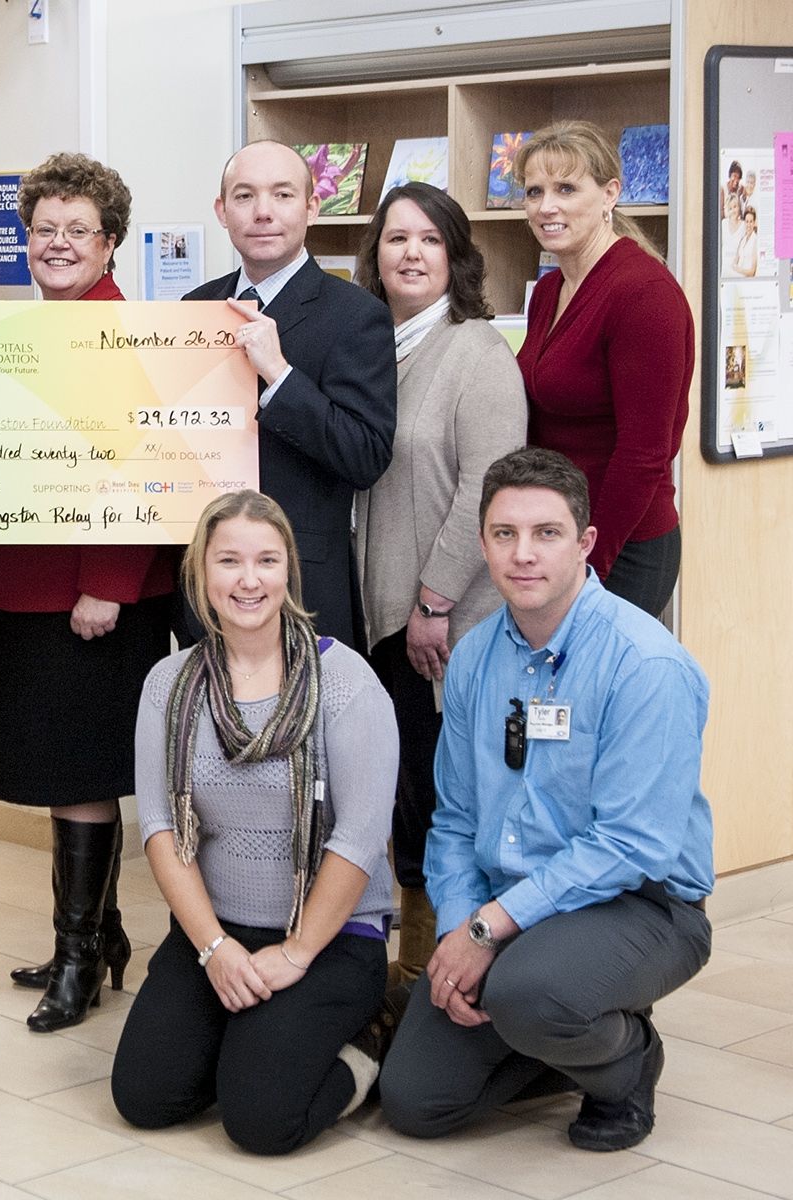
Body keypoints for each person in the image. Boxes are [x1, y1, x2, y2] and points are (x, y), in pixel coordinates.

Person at [379, 447, 714, 1153]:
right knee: (416, 1100)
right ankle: (555, 1027)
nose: (523, 555)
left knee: (527, 992)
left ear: (585, 543)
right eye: (505, 534)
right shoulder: (473, 658)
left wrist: (486, 932)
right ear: (483, 544)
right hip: (511, 908)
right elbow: (457, 818)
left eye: (547, 533)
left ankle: (626, 1059)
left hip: (642, 904)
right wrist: (457, 932)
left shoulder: (644, 664)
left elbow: (631, 845)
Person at [109, 491, 398, 1155]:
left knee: (262, 1123)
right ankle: (249, 1044)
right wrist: (213, 948)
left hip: (327, 936)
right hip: (219, 928)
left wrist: (296, 954)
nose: (249, 579)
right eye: (230, 560)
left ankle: (368, 1044)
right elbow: (159, 826)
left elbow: (358, 840)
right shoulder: (169, 684)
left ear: (288, 570)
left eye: (267, 560)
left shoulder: (345, 681)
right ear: (200, 574)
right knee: (145, 1098)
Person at [0, 152, 176, 1033]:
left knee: (83, 772)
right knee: (58, 771)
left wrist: (108, 584)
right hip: (18, 586)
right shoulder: (24, 327)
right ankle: (95, 936)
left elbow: (143, 467)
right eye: (43, 230)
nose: (56, 245)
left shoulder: (124, 333)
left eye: (76, 231)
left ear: (110, 243)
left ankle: (81, 963)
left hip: (89, 596)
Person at [351, 183, 526, 994]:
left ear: (455, 255)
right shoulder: (373, 347)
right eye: (395, 240)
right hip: (386, 617)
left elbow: (487, 491)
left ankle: (436, 968)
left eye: (429, 238)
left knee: (440, 800)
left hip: (445, 621)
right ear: (375, 256)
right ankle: (412, 961)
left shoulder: (475, 352)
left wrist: (433, 603)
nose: (411, 253)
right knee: (402, 793)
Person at [182, 139, 397, 650]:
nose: (262, 213)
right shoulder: (196, 306)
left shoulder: (356, 314)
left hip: (304, 587)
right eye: (244, 196)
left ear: (311, 207)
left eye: (282, 195)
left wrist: (279, 374)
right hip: (204, 587)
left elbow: (366, 455)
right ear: (222, 211)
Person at [514, 121, 694, 619]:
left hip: (621, 545)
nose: (546, 206)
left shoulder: (644, 294)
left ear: (610, 193)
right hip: (563, 536)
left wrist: (588, 559)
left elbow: (645, 455)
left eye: (566, 188)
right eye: (535, 191)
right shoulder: (551, 289)